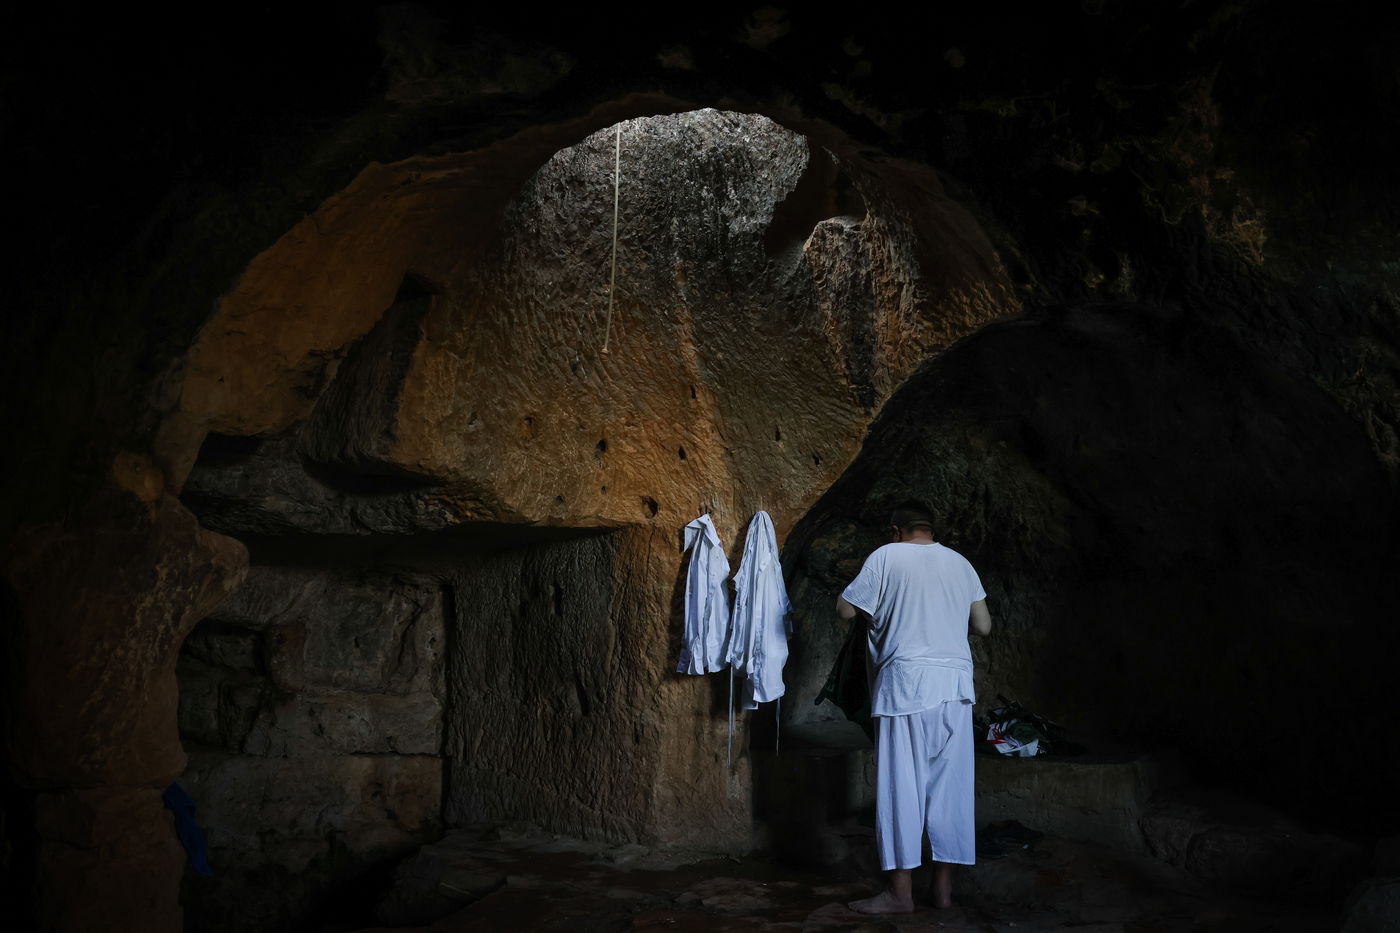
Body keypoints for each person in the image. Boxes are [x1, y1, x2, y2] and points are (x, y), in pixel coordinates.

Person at [836, 502, 992, 914]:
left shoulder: (886, 556)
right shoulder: (961, 563)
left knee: (902, 788)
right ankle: (942, 892)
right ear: (931, 530)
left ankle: (900, 894)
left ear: (895, 530)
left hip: (905, 684)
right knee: (950, 790)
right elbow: (983, 625)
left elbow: (846, 609)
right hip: (955, 687)